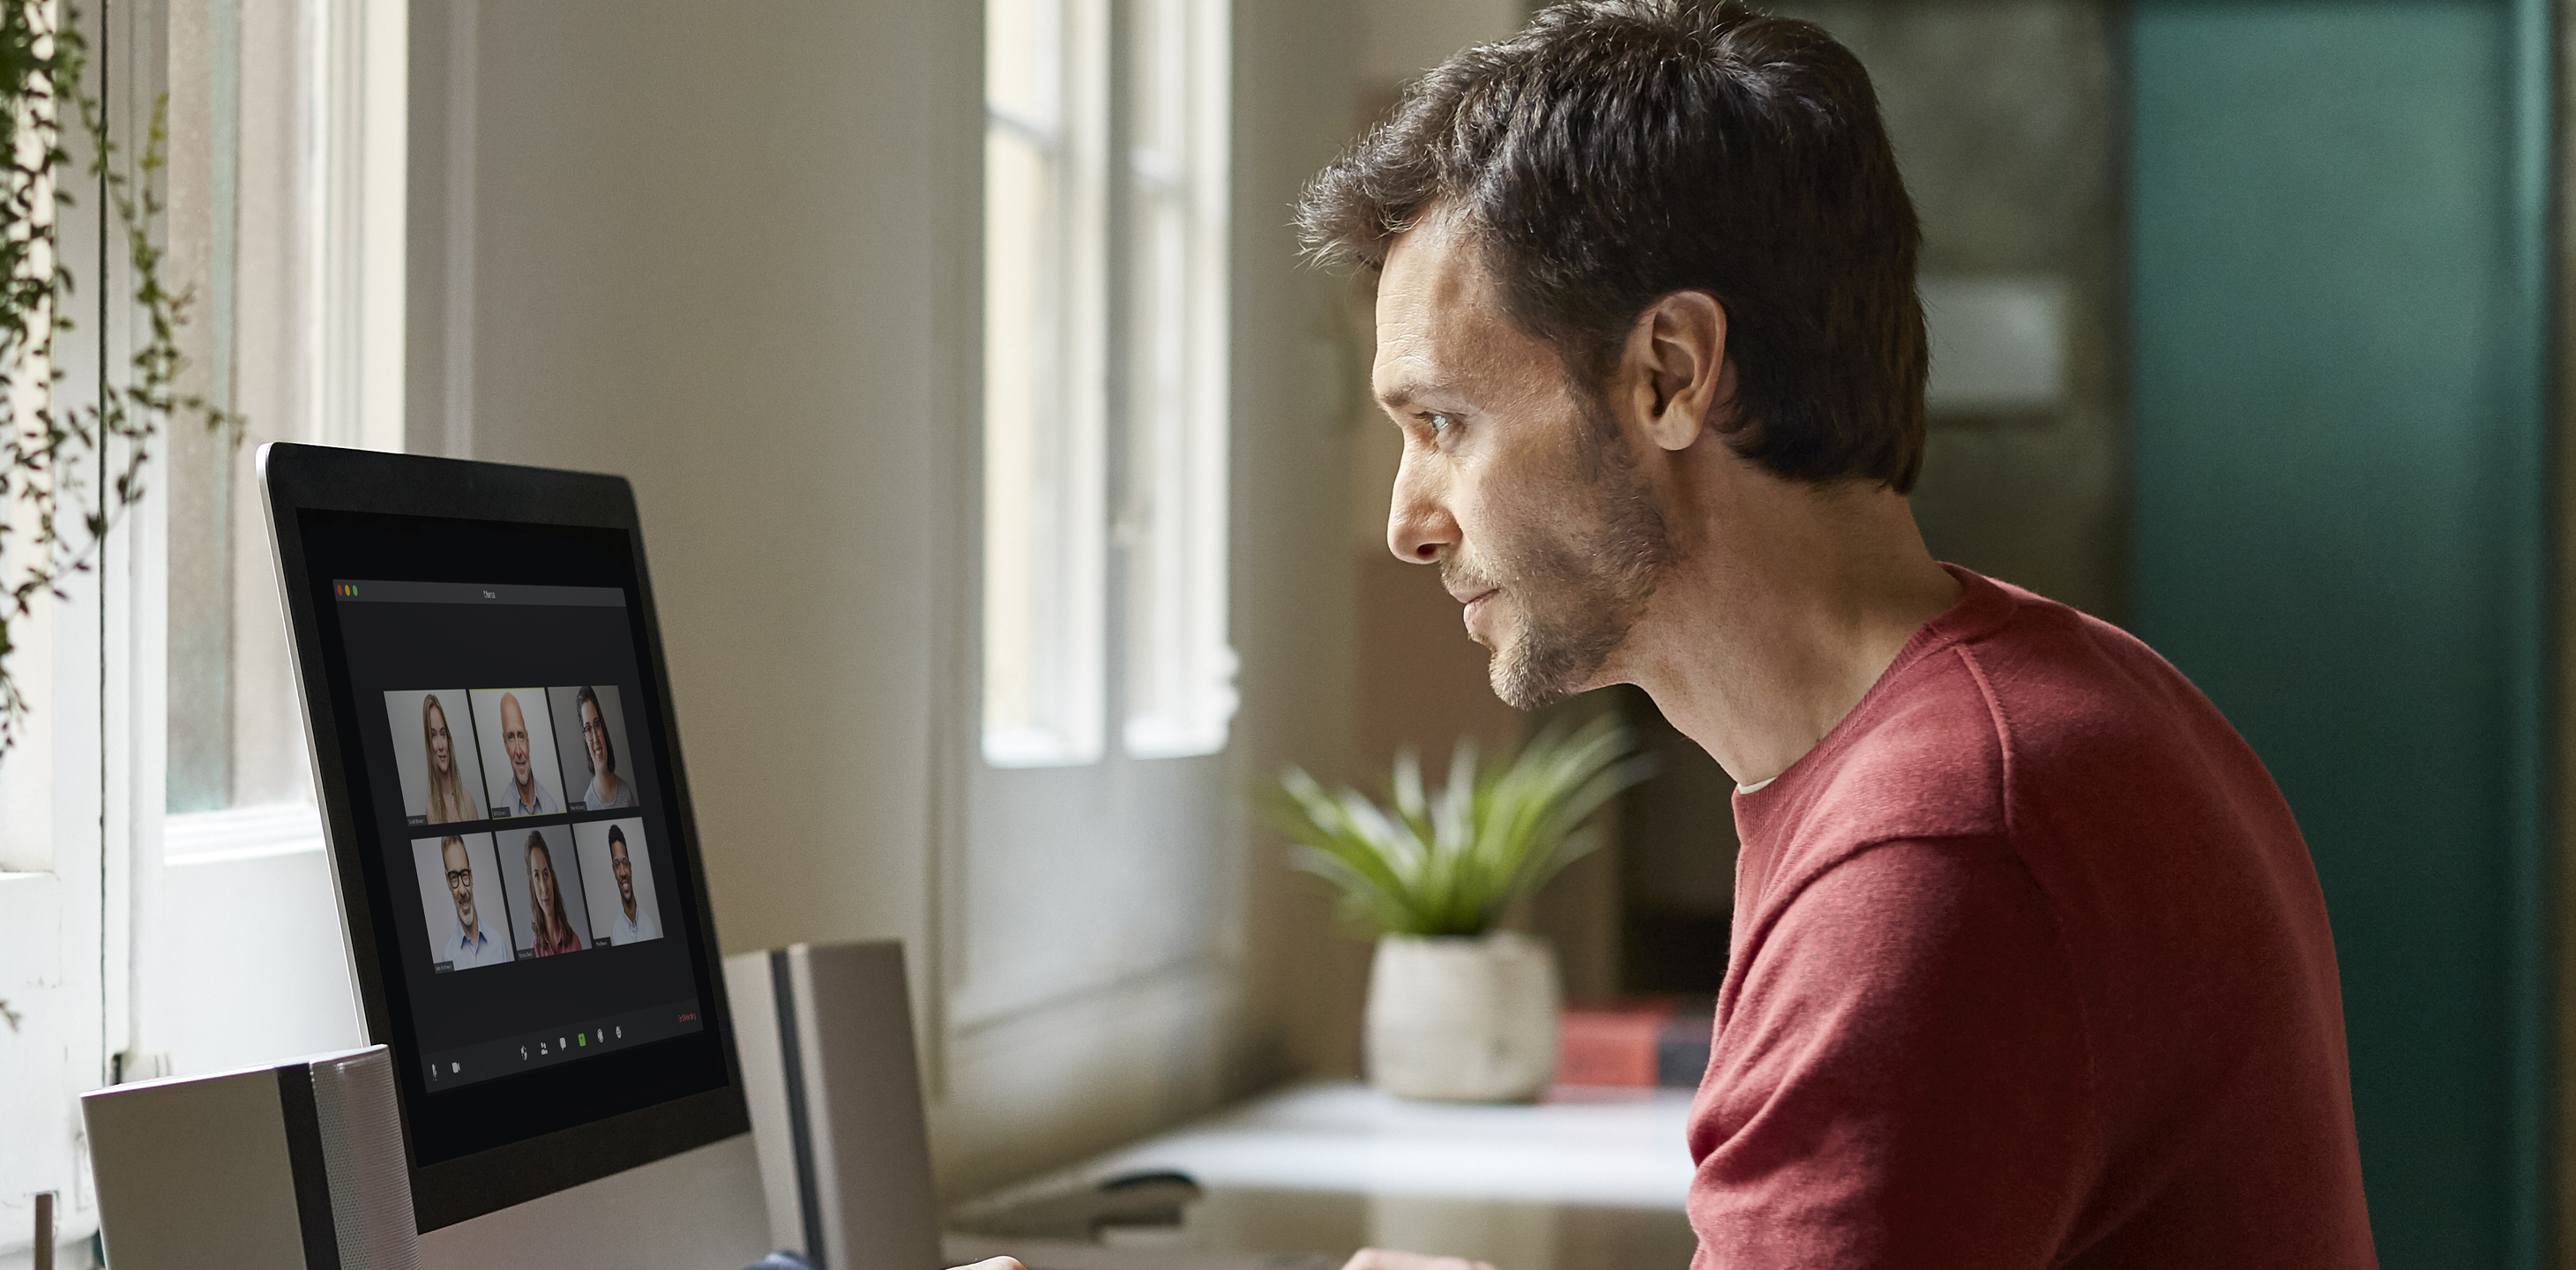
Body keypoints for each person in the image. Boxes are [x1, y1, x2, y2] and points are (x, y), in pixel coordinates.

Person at [966, 2, 2370, 1268]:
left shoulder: (1943, 845)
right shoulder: (2033, 709)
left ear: (1669, 375)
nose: (1410, 519)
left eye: (1442, 423)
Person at [434, 838, 506, 969]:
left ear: (471, 876)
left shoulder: (498, 941)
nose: (462, 891)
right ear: (448, 882)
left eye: (465, 874)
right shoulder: (448, 956)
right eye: (454, 877)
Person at [521, 832, 585, 957]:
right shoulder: (534, 950)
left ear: (552, 876)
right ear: (532, 885)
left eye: (545, 874)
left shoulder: (574, 941)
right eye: (537, 876)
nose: (544, 888)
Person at [418, 693, 475, 824]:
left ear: (448, 739)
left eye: (442, 734)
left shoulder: (468, 799)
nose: (440, 746)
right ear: (429, 744)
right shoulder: (430, 807)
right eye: (433, 735)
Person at [575, 686, 634, 809]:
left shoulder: (626, 792)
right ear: (585, 737)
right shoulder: (587, 804)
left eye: (596, 725)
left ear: (603, 727)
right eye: (588, 729)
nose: (596, 739)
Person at [496, 691, 553, 816]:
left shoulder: (550, 806)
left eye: (520, 736)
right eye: (511, 737)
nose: (518, 751)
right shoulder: (505, 808)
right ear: (505, 743)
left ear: (528, 740)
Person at [600, 826, 657, 945]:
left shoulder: (650, 926)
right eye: (617, 865)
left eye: (624, 863)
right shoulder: (615, 934)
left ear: (630, 868)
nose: (622, 873)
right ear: (614, 871)